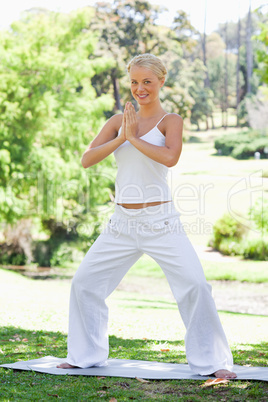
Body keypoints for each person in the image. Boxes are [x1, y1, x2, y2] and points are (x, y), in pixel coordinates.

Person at [57, 53, 237, 379]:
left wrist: (133, 138)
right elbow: (87, 159)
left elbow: (170, 157)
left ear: (161, 82)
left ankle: (214, 362)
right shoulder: (118, 121)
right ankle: (85, 355)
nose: (140, 89)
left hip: (161, 222)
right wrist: (122, 137)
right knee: (85, 284)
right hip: (121, 224)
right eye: (135, 82)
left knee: (195, 285)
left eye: (147, 82)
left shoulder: (172, 120)